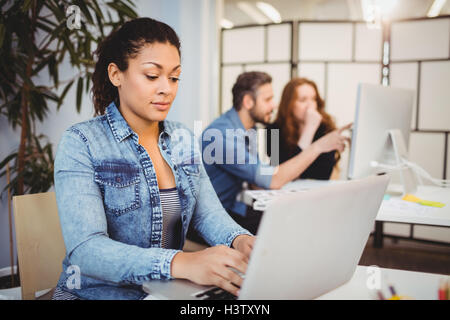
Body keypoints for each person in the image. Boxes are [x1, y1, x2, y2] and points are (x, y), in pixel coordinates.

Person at [52, 17, 254, 300]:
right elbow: (86, 250)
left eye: (174, 77)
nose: (166, 89)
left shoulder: (182, 138)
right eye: (151, 75)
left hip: (167, 291)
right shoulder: (81, 143)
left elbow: (207, 213)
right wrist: (179, 262)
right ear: (116, 74)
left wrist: (240, 239)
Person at [200, 72, 350, 235]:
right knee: (290, 226)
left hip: (231, 207)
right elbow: (272, 179)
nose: (273, 105)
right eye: (267, 100)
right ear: (248, 102)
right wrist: (317, 147)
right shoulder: (223, 135)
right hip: (211, 217)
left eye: (313, 99)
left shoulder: (249, 129)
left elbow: (259, 180)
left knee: (297, 219)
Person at [266, 77, 344, 180]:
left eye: (313, 99)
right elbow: (280, 175)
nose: (310, 105)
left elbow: (323, 175)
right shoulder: (273, 131)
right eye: (303, 100)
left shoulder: (325, 129)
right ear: (289, 104)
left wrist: (312, 129)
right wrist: (308, 130)